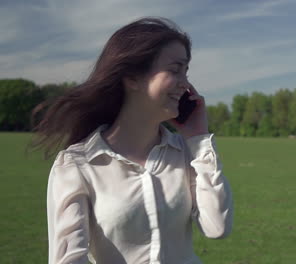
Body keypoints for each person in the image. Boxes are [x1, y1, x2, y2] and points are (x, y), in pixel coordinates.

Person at [32, 17, 233, 264]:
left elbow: (217, 227)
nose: (186, 84)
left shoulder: (186, 153)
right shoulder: (77, 165)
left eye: (186, 71)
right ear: (132, 78)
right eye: (175, 69)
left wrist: (199, 139)